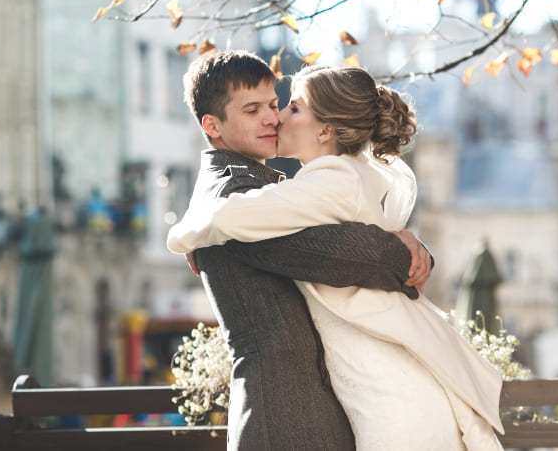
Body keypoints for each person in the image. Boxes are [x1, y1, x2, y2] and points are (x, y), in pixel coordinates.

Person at [169, 64, 505, 450]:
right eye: (253, 110)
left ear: (326, 130)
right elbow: (365, 255)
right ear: (212, 125)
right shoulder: (251, 189)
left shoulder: (328, 179)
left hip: (387, 393)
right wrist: (401, 246)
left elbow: (354, 247)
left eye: (282, 106)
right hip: (304, 413)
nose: (275, 118)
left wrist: (186, 234)